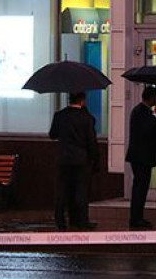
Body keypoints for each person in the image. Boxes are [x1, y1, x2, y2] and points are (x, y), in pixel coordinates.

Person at [49, 91, 98, 230]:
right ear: (82, 100)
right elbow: (91, 141)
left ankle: (60, 221)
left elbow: (52, 134)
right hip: (81, 160)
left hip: (63, 159)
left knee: (62, 191)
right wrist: (94, 159)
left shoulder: (59, 115)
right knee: (81, 192)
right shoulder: (86, 118)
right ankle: (81, 221)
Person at [125, 86, 156, 229]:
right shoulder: (141, 112)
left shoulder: (140, 110)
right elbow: (147, 130)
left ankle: (138, 216)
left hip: (140, 156)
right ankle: (136, 218)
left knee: (141, 187)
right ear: (151, 98)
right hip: (141, 156)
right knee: (140, 187)